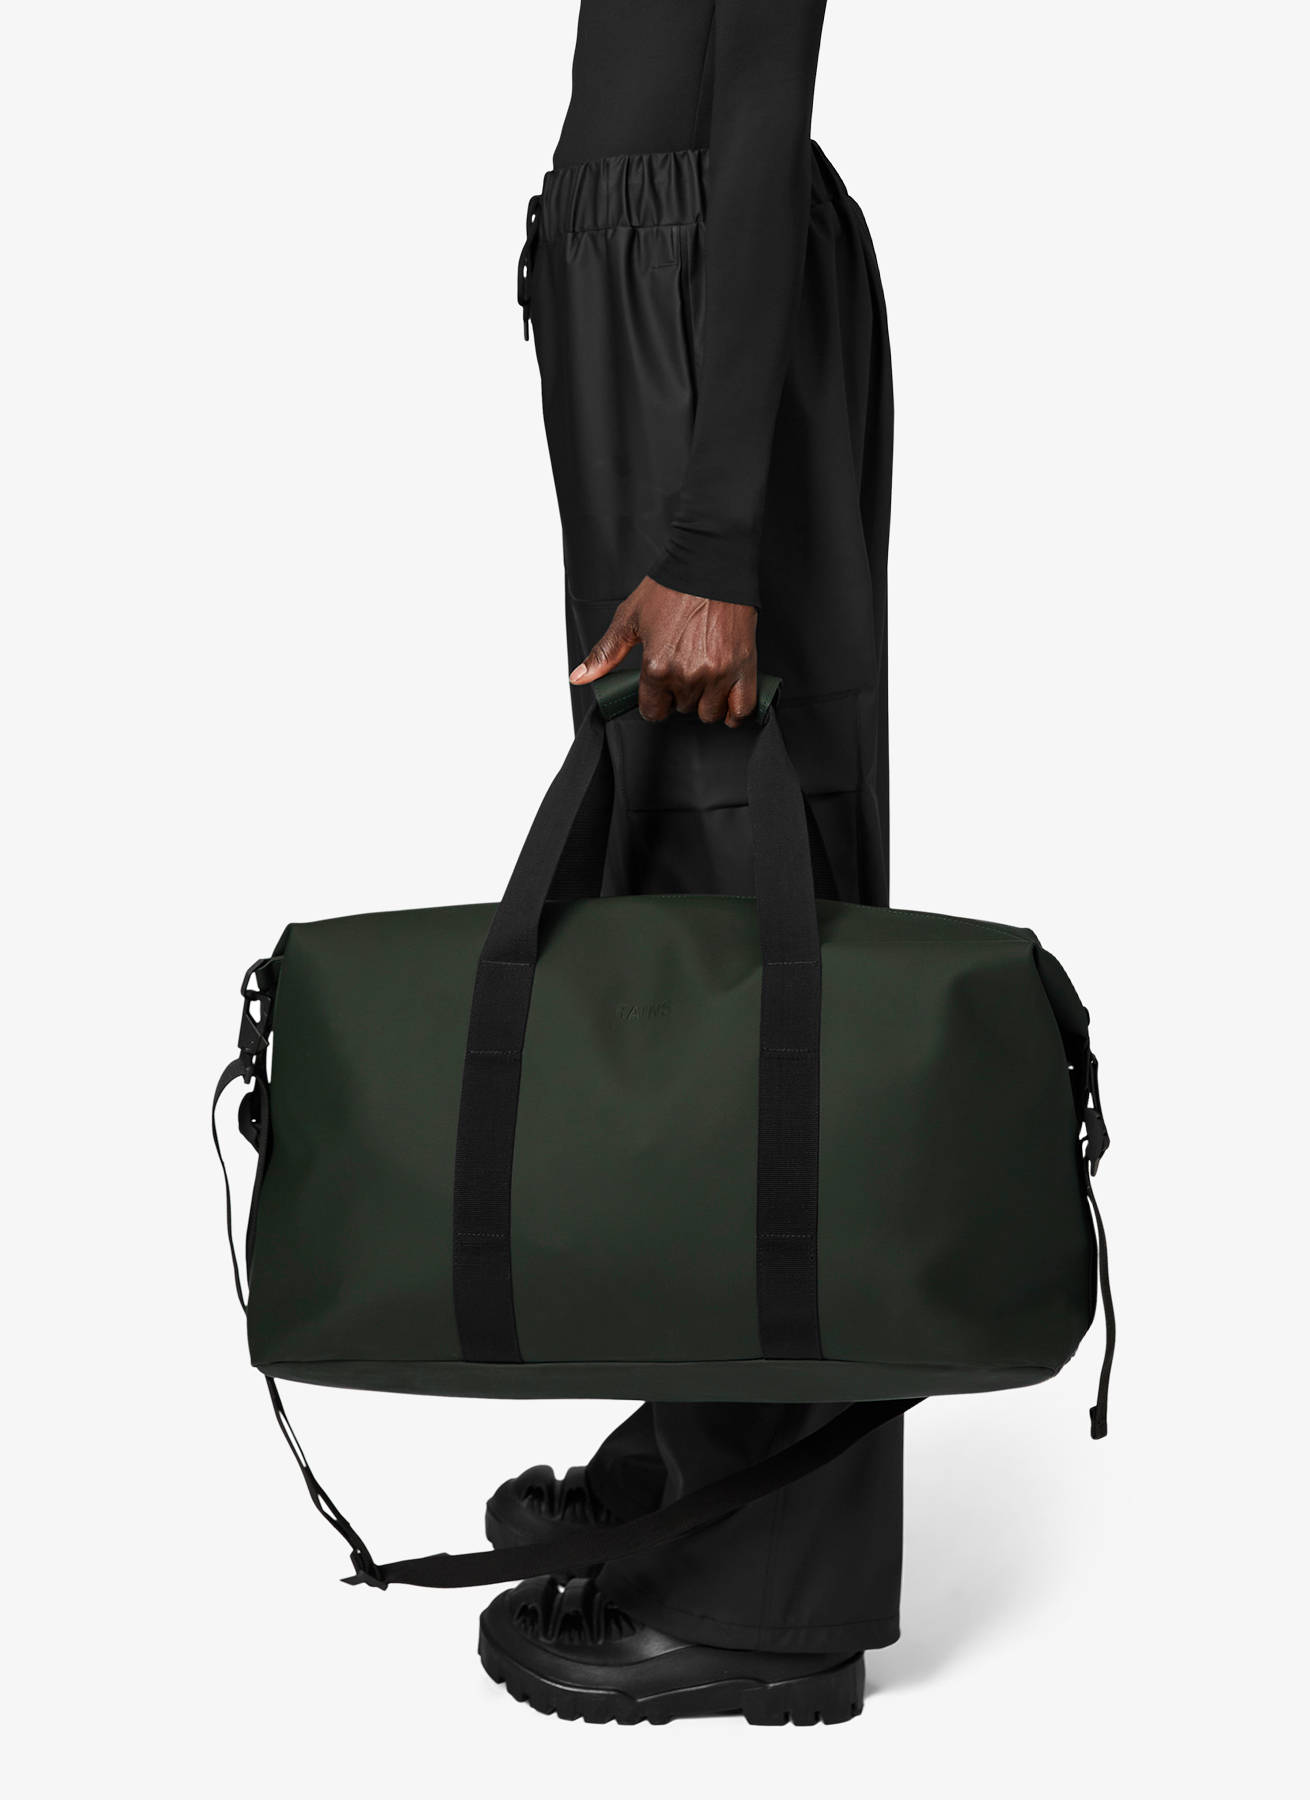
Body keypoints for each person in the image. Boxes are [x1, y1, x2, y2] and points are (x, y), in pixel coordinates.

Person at [477, 0, 900, 1725]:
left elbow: (760, 72)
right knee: (673, 890)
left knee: (751, 893)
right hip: (647, 276)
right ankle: (702, 1444)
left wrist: (717, 530)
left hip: (702, 281)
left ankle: (771, 1589)